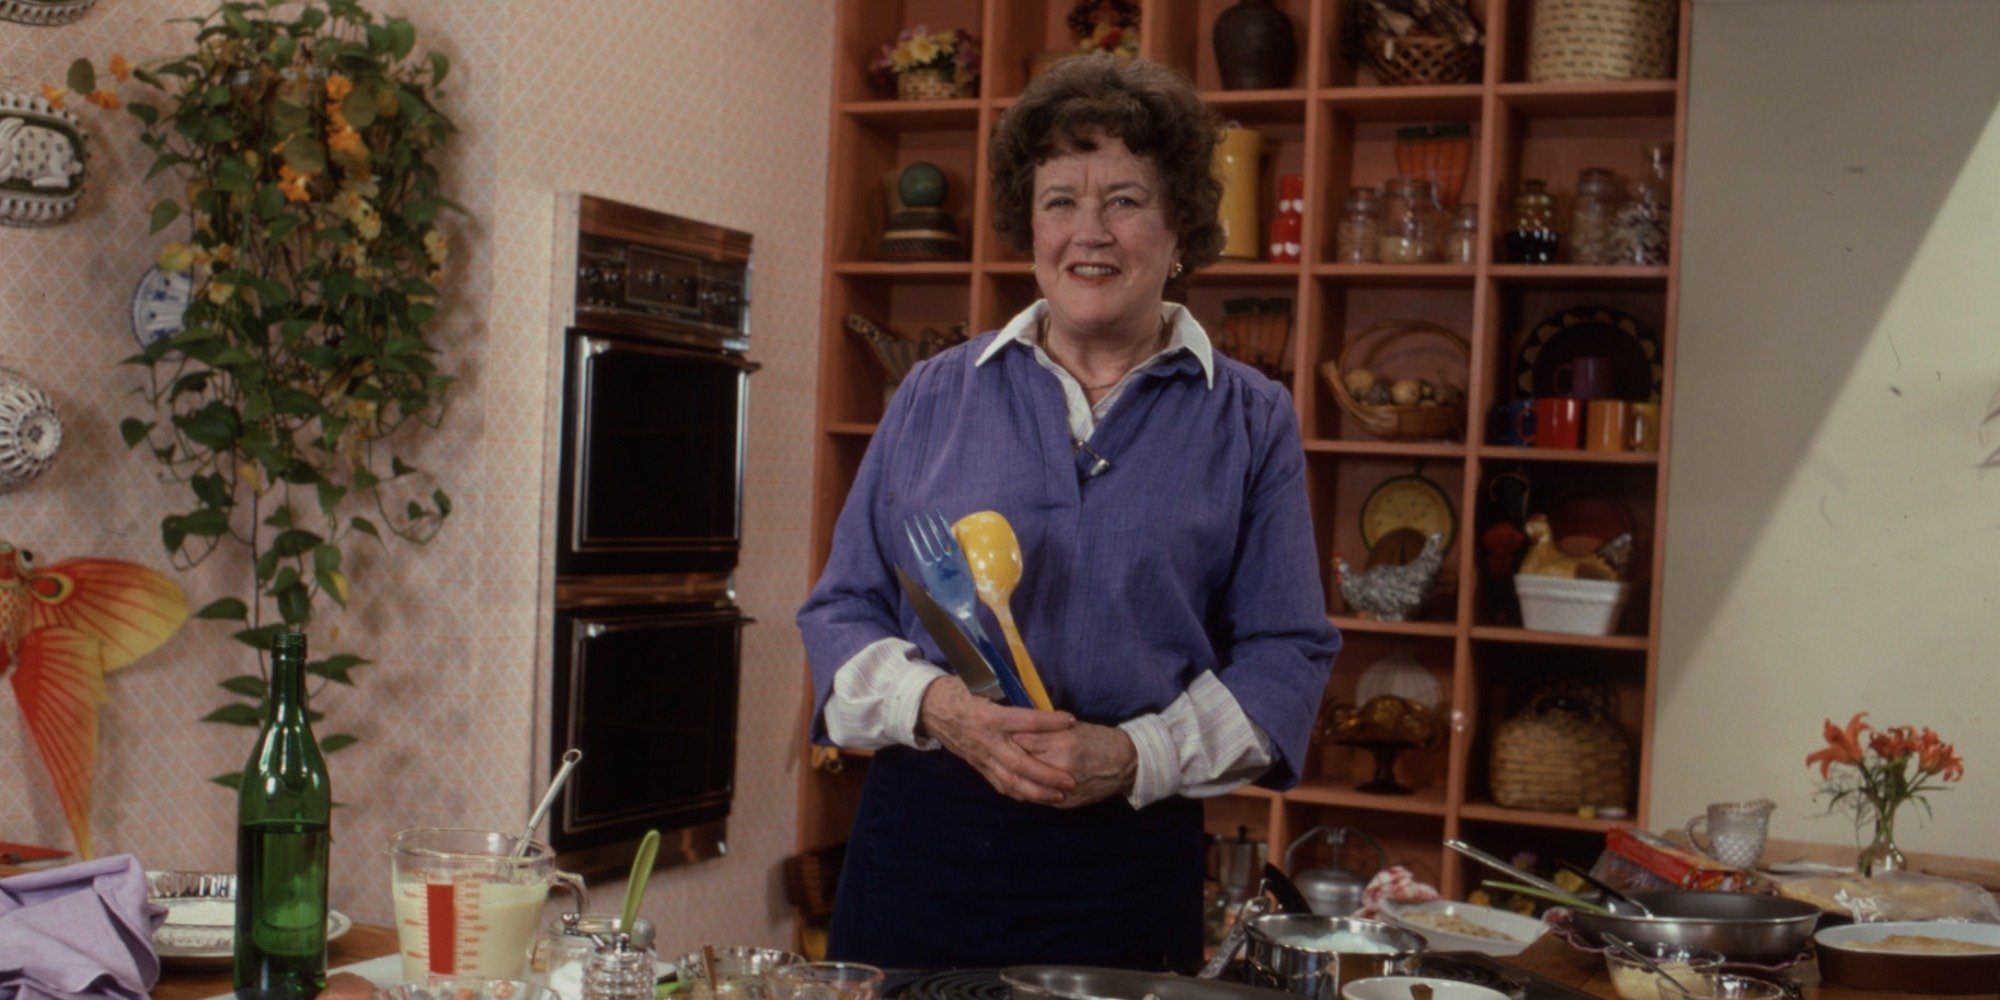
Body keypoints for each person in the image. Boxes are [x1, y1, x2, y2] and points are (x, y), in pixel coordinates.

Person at [796, 55, 1340, 972]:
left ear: (1179, 232)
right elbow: (841, 610)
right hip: (922, 849)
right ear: (1030, 225)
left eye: (1125, 199)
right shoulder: (932, 393)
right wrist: (942, 707)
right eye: (1060, 201)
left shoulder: (1250, 417)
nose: (1090, 233)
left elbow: (1287, 656)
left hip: (1124, 862)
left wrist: (1133, 755)